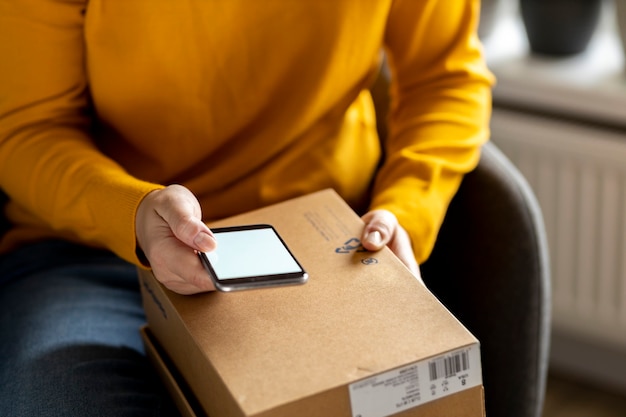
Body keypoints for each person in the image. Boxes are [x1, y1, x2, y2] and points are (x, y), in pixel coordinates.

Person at [0, 0, 494, 415]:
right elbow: (29, 129)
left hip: (328, 242)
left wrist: (406, 206)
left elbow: (445, 78)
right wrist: (132, 211)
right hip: (94, 254)